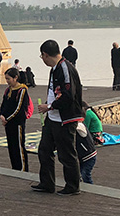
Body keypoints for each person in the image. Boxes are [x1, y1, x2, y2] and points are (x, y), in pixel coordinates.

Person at [32, 39, 83, 195]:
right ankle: (47, 183)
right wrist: (50, 106)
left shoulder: (65, 68)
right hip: (53, 117)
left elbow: (68, 95)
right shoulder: (55, 69)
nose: (43, 60)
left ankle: (73, 186)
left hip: (65, 118)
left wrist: (50, 106)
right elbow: (56, 92)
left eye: (42, 57)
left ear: (45, 55)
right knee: (44, 149)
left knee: (67, 153)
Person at [0, 67, 30, 172]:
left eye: (8, 79)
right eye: (6, 79)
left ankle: (23, 168)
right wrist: (1, 115)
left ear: (15, 78)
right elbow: (4, 104)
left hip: (17, 122)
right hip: (8, 122)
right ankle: (15, 167)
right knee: (11, 145)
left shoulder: (22, 90)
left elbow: (19, 108)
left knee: (19, 145)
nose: (7, 81)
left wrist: (7, 118)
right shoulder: (8, 90)